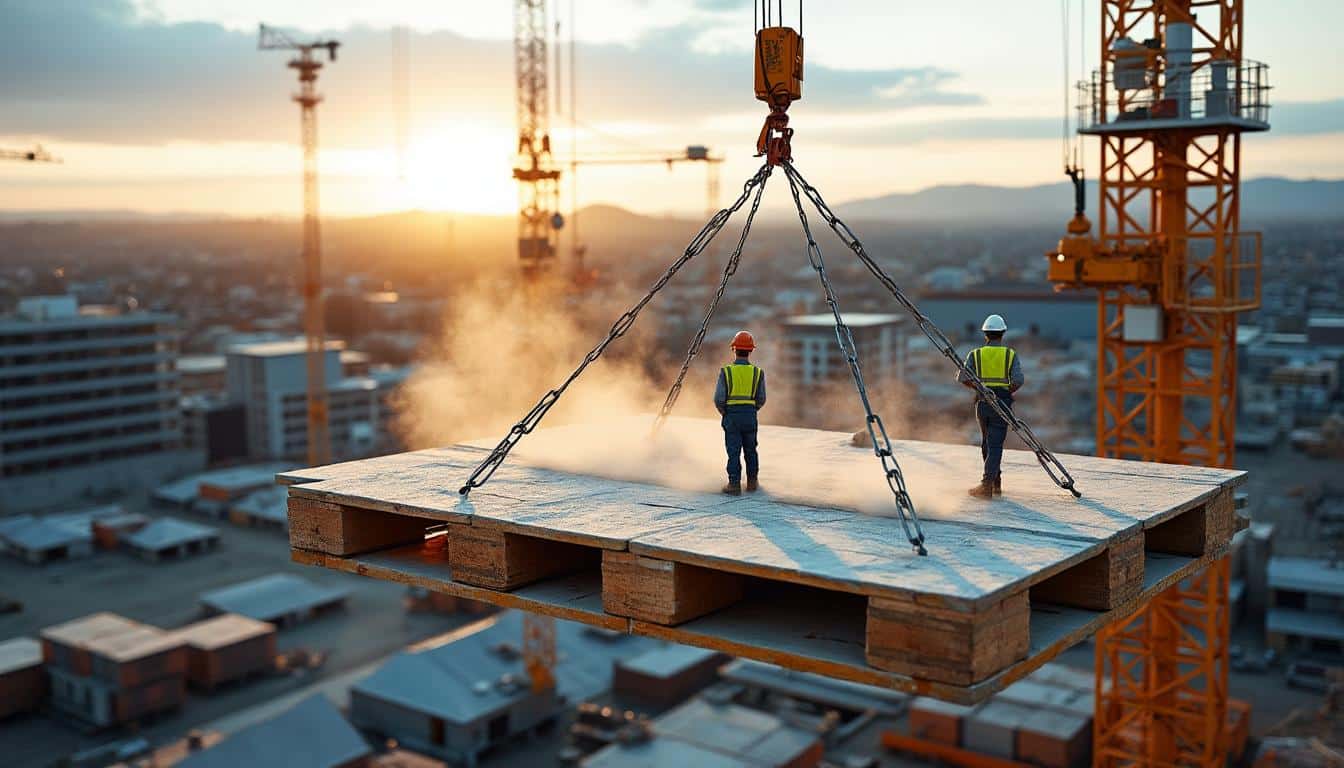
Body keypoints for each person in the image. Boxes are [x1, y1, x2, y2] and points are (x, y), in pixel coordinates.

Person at [958, 314, 1023, 499]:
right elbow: (1018, 380)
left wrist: (978, 388)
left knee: (987, 442)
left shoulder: (975, 354)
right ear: (1002, 333)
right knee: (995, 444)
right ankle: (989, 484)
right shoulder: (1010, 354)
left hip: (982, 403)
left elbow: (962, 377)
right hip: (1002, 402)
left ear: (985, 334)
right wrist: (1005, 392)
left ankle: (994, 482)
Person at [714, 330, 767, 495]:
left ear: (734, 349)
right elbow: (761, 398)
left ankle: (734, 484)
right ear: (751, 350)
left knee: (734, 450)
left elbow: (719, 399)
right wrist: (752, 409)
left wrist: (725, 412)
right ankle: (752, 482)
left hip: (732, 415)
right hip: (750, 415)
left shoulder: (726, 372)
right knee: (751, 449)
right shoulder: (758, 373)